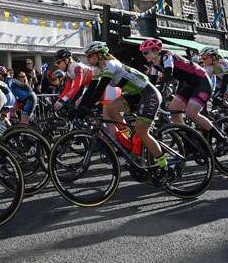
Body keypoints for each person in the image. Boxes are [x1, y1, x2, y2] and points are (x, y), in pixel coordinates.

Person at [79, 41, 176, 184]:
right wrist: (79, 107)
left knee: (142, 133)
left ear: (100, 55)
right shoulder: (97, 69)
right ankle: (129, 142)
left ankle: (166, 168)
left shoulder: (110, 64)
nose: (87, 59)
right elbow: (90, 90)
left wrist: (86, 108)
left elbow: (100, 88)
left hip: (148, 94)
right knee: (111, 109)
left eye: (89, 55)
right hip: (136, 95)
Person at [140, 39, 217, 137]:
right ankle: (189, 138)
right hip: (190, 84)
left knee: (191, 114)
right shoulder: (155, 64)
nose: (144, 55)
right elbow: (152, 82)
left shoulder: (167, 56)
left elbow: (168, 76)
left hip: (202, 81)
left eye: (146, 52)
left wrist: (159, 95)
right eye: (143, 53)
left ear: (155, 51)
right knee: (173, 111)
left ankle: (222, 138)